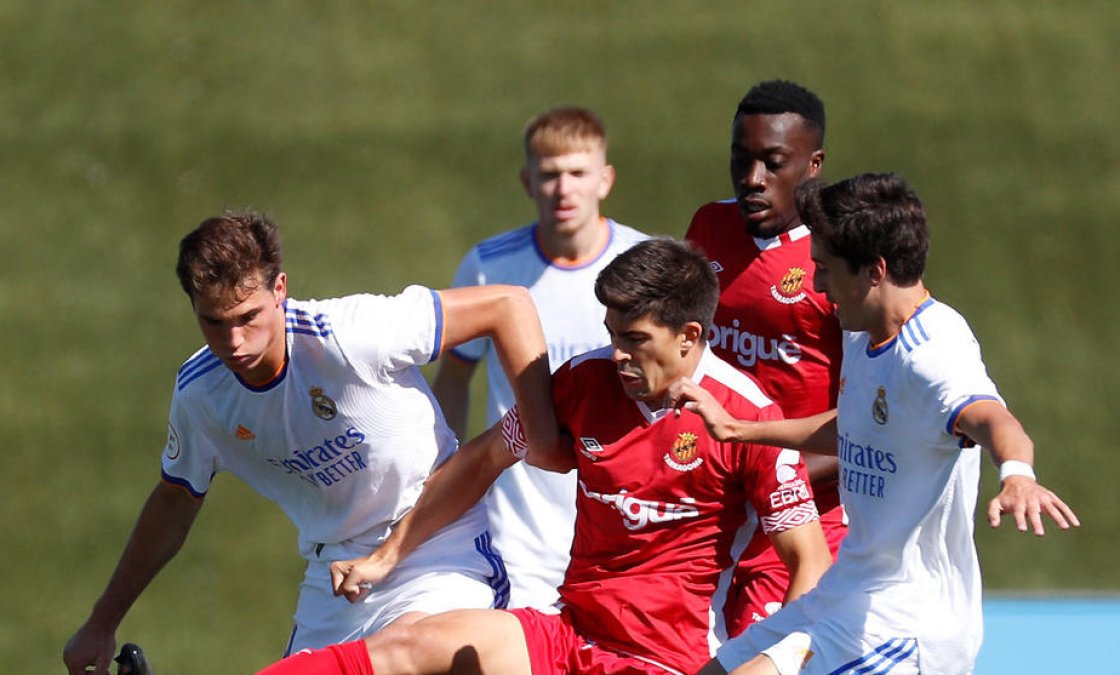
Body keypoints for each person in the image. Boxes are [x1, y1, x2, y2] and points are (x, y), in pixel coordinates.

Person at [259, 238, 833, 675]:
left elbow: (809, 561)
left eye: (634, 340)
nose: (617, 356)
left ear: (687, 335)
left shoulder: (749, 419)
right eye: (611, 334)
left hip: (665, 661)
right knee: (410, 644)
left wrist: (773, 664)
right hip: (568, 636)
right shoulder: (584, 384)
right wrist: (388, 556)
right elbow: (484, 458)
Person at [61, 210, 559, 674]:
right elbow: (173, 502)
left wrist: (544, 439)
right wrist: (102, 622)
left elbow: (506, 304)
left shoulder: (351, 334)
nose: (234, 342)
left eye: (248, 317)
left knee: (411, 651)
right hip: (335, 575)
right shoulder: (201, 396)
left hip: (437, 543)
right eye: (213, 322)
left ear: (280, 289)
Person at [678, 174, 1080, 674]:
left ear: (874, 271)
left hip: (907, 622)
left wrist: (1017, 473)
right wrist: (740, 430)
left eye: (825, 270)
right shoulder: (865, 332)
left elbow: (991, 417)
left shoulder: (932, 354)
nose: (819, 287)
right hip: (847, 593)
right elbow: (855, 427)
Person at [431, 105, 648, 609]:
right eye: (550, 175)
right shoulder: (489, 267)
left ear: (605, 179)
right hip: (519, 539)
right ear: (528, 181)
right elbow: (455, 375)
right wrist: (440, 470)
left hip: (624, 527)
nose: (564, 189)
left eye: (577, 173)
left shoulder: (647, 264)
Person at [684, 79, 846, 639]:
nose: (752, 180)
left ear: (813, 163)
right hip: (713, 505)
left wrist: (769, 481)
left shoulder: (841, 261)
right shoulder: (708, 228)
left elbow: (869, 427)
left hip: (808, 520)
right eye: (740, 160)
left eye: (773, 163)